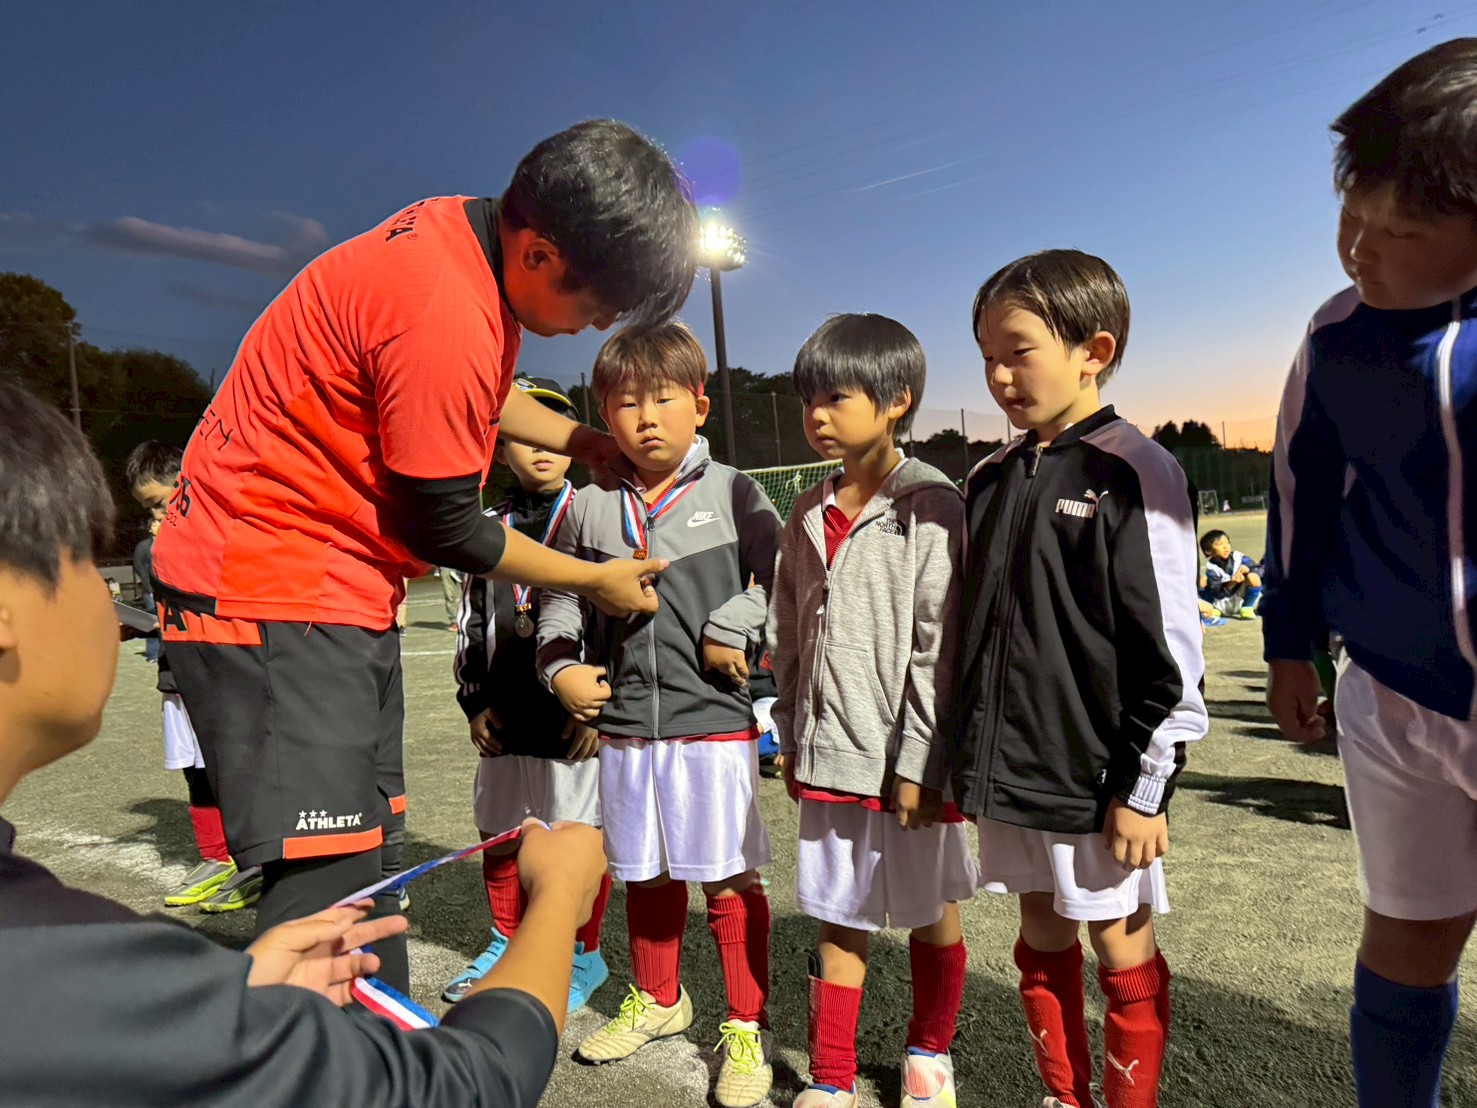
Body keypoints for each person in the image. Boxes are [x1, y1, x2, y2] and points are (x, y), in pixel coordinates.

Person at [147, 119, 698, 993]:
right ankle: (347, 1058)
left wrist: (583, 441)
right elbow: (445, 528)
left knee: (368, 855)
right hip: (272, 588)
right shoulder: (441, 305)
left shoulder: (463, 237)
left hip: (327, 588)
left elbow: (481, 389)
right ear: (540, 253)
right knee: (328, 887)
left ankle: (381, 1046)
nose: (597, 324)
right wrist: (593, 579)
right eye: (599, 303)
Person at [0, 379, 609, 1107]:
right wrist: (557, 900)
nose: (122, 601)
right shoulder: (54, 969)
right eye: (81, 559)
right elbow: (459, 1090)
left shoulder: (51, 957)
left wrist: (238, 1001)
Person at [1261, 39, 1477, 1107]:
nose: (1359, 250)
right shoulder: (1335, 338)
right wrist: (1285, 641)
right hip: (1390, 691)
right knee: (1407, 933)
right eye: (1350, 216)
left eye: (1399, 232)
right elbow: (1297, 499)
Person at [948, 250, 1207, 1108]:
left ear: (1092, 351)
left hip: (1098, 780)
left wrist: (1143, 789)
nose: (998, 375)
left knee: (1120, 946)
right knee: (1038, 936)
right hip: (1013, 773)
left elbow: (1170, 654)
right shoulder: (986, 478)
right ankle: (1064, 1097)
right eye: (987, 355)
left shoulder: (1136, 471)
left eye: (1017, 352)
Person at [537, 322, 782, 1108]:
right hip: (625, 728)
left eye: (664, 399)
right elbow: (557, 597)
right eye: (625, 402)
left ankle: (746, 1024)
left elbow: (787, 583)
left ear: (699, 406)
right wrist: (560, 666)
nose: (645, 417)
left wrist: (733, 623)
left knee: (725, 878)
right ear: (602, 415)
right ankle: (658, 998)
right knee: (642, 869)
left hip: (710, 720)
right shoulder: (586, 508)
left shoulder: (733, 491)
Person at [767, 314, 977, 1108]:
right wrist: (792, 732)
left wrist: (921, 759)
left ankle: (929, 1055)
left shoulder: (932, 505)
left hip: (908, 765)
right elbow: (787, 633)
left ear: (897, 401)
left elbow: (938, 645)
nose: (816, 415)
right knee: (836, 915)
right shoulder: (803, 510)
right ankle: (830, 1076)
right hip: (831, 756)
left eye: (836, 397)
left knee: (933, 909)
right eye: (807, 399)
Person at [442, 376, 611, 1011]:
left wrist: (602, 709)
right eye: (523, 434)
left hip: (572, 718)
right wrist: (473, 701)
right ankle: (504, 941)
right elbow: (470, 620)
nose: (540, 448)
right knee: (502, 832)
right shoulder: (484, 527)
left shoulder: (595, 514)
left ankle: (581, 954)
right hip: (506, 711)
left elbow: (613, 621)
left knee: (576, 838)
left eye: (552, 432)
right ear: (501, 447)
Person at [125, 441, 262, 912]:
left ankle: (255, 859)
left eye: (160, 503)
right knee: (196, 771)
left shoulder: (224, 532)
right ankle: (216, 857)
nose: (155, 516)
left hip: (220, 672)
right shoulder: (150, 550)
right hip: (176, 674)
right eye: (148, 509)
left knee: (236, 769)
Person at [1197, 529, 1261, 621]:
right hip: (1220, 604)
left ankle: (1247, 607)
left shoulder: (1239, 557)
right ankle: (1211, 608)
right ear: (1208, 551)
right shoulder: (1212, 568)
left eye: (1227, 543)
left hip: (1240, 600)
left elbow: (1259, 571)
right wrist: (1232, 583)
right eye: (1220, 544)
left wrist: (1248, 569)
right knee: (1202, 581)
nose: (1225, 547)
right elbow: (1217, 594)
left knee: (1253, 577)